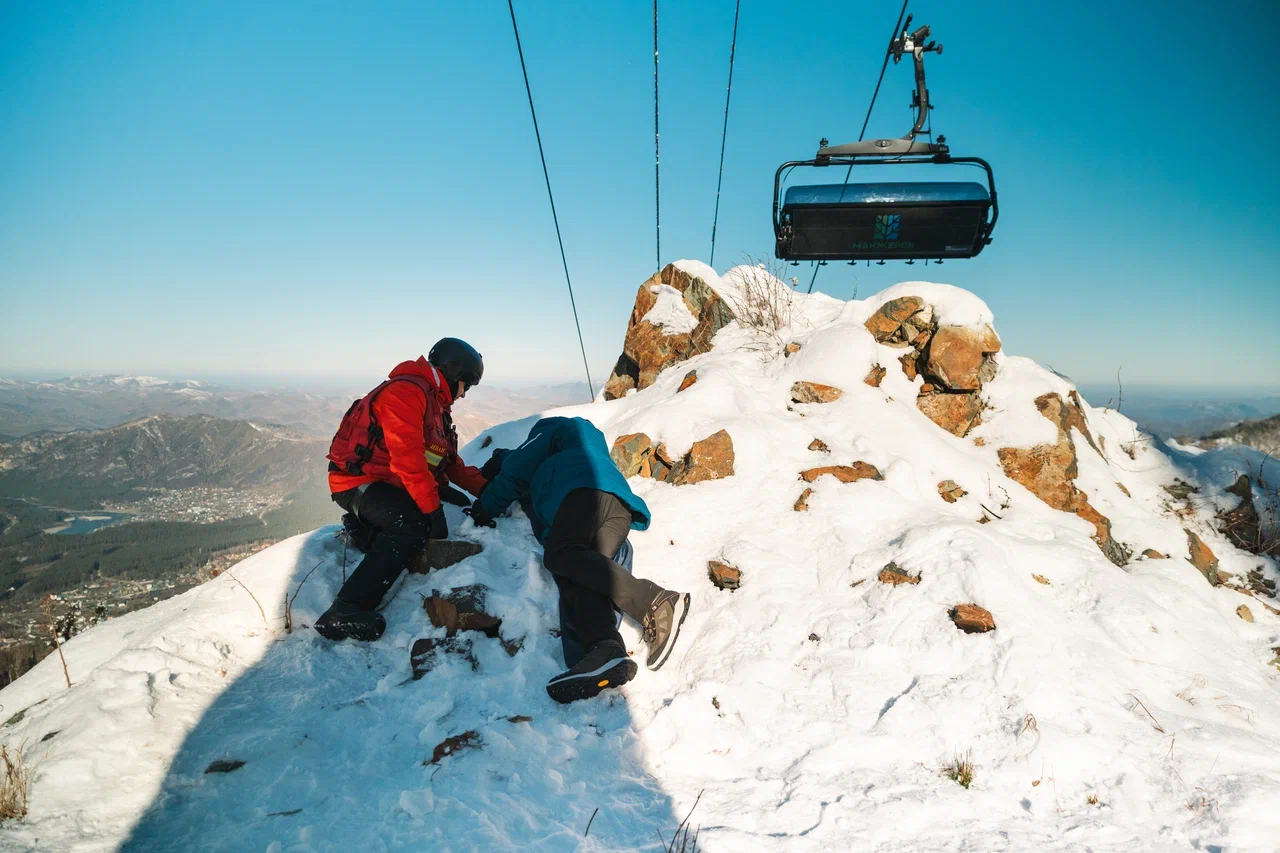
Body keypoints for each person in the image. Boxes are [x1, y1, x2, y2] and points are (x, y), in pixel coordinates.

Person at [469, 417, 691, 704]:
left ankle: (655, 601)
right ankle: (604, 647)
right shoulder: (583, 451)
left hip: (583, 497)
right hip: (614, 507)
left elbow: (513, 473)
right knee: (579, 570)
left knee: (561, 554)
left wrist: (482, 510)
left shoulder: (552, 434)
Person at [316, 338, 489, 642]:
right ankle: (346, 608)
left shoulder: (435, 406)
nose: (463, 394)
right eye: (465, 385)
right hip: (356, 482)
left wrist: (492, 492)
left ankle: (365, 530)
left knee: (449, 501)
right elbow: (408, 460)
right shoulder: (406, 393)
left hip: (387, 482)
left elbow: (449, 464)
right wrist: (432, 510)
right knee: (410, 524)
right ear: (452, 372)